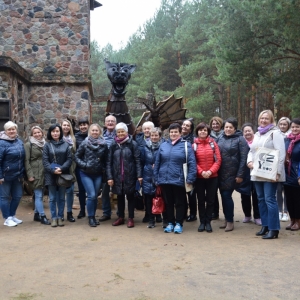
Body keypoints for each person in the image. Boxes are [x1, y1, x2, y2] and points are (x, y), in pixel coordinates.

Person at [247, 110, 286, 239]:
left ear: (271, 120)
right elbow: (251, 151)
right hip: (257, 172)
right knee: (261, 199)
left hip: (270, 173)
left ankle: (274, 228)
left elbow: (281, 154)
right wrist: (250, 161)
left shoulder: (275, 134)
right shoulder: (257, 134)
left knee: (270, 199)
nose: (263, 120)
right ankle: (265, 225)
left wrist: (278, 173)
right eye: (262, 118)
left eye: (266, 118)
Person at [154, 123, 197, 234]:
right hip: (164, 179)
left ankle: (179, 223)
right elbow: (157, 162)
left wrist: (190, 178)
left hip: (179, 179)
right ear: (169, 133)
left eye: (175, 132)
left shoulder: (186, 145)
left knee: (179, 202)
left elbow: (192, 163)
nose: (173, 134)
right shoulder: (163, 145)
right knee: (168, 203)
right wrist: (156, 177)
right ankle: (170, 223)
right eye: (171, 132)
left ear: (180, 133)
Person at [106, 122, 142, 228]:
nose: (120, 134)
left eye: (122, 131)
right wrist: (109, 177)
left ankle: (130, 218)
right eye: (118, 132)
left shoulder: (132, 144)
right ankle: (120, 217)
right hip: (117, 176)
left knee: (130, 196)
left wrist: (139, 175)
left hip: (130, 175)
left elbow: (137, 160)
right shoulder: (113, 145)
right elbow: (109, 162)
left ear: (126, 132)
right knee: (120, 197)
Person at [217, 117, 249, 232]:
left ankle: (230, 221)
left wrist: (240, 174)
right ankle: (227, 219)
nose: (228, 129)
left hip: (233, 173)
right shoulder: (220, 138)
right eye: (226, 127)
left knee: (226, 196)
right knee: (223, 197)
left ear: (235, 128)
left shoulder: (240, 140)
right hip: (220, 173)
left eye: (230, 127)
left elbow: (244, 158)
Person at [75, 124, 108, 227]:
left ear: (99, 132)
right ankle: (91, 217)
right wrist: (84, 165)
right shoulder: (85, 143)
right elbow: (76, 156)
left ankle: (92, 215)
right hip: (86, 173)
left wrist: (104, 169)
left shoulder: (104, 144)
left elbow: (106, 159)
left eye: (96, 130)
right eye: (93, 130)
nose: (94, 132)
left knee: (94, 196)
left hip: (98, 174)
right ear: (90, 131)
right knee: (92, 195)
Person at [193, 122, 221, 233]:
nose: (202, 132)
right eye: (200, 130)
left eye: (205, 130)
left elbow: (218, 160)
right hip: (199, 178)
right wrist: (201, 171)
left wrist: (210, 171)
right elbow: (192, 161)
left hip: (212, 177)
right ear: (197, 132)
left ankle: (208, 222)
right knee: (200, 200)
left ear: (208, 132)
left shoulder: (213, 144)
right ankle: (202, 222)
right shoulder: (194, 145)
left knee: (210, 200)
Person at [43, 124, 72, 227]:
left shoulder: (65, 145)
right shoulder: (47, 145)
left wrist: (62, 168)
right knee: (52, 198)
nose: (55, 133)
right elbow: (45, 161)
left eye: (57, 131)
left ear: (60, 132)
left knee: (62, 198)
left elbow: (69, 159)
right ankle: (54, 218)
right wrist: (52, 170)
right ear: (50, 133)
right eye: (53, 131)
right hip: (51, 175)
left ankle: (60, 217)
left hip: (63, 175)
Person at [0, 121, 25, 227]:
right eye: (9, 129)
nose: (11, 131)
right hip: (6, 176)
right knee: (4, 197)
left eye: (13, 129)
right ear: (5, 131)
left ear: (16, 130)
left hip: (18, 175)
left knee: (17, 196)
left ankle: (12, 215)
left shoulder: (19, 141)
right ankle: (7, 218)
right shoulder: (2, 143)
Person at [24, 125, 50, 225]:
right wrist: (29, 174)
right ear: (32, 134)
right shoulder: (28, 145)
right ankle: (43, 216)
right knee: (38, 195)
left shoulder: (45, 144)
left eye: (38, 132)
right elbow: (26, 160)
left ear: (42, 133)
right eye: (35, 133)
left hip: (44, 172)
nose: (37, 134)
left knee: (41, 194)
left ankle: (36, 215)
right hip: (35, 173)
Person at [141, 127, 163, 228]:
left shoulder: (163, 146)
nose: (154, 137)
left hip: (159, 174)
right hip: (147, 174)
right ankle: (151, 219)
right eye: (152, 135)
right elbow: (141, 161)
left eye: (156, 135)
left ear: (159, 136)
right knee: (148, 197)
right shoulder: (144, 146)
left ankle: (158, 214)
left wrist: (158, 165)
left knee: (158, 196)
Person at [240, 123, 261, 225]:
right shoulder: (241, 142)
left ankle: (257, 216)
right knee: (245, 195)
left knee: (256, 194)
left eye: (249, 130)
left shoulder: (258, 141)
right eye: (245, 131)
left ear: (253, 131)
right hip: (244, 172)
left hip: (256, 171)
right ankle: (247, 215)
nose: (248, 133)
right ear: (243, 133)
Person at [135, 121, 156, 223]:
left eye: (149, 128)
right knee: (146, 194)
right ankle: (148, 213)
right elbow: (138, 160)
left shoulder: (161, 141)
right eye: (145, 129)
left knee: (157, 193)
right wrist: (139, 174)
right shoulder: (137, 140)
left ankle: (157, 214)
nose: (147, 130)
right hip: (144, 171)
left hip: (156, 172)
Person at [98, 115, 117, 222]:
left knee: (119, 191)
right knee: (105, 191)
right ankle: (106, 213)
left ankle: (120, 213)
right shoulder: (101, 136)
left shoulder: (120, 134)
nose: (110, 123)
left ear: (115, 123)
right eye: (108, 121)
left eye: (112, 121)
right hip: (104, 168)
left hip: (117, 167)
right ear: (105, 123)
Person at [284, 118, 300, 231]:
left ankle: (298, 221)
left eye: (297, 127)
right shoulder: (287, 140)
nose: (294, 129)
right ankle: (292, 220)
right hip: (287, 173)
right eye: (293, 127)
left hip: (297, 173)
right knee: (289, 198)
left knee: (297, 199)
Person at [182, 119, 197, 222]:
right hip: (179, 169)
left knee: (191, 193)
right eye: (183, 124)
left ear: (191, 129)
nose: (184, 126)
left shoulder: (193, 140)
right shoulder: (177, 138)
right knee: (181, 194)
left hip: (190, 168)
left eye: (187, 126)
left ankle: (193, 214)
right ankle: (183, 213)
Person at [209, 116, 224, 220]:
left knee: (224, 192)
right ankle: (215, 212)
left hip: (224, 168)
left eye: (217, 123)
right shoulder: (208, 137)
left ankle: (227, 214)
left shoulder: (226, 135)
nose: (215, 125)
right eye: (213, 124)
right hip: (211, 167)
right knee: (212, 192)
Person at [61, 119, 76, 222]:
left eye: (68, 125)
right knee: (61, 193)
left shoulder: (73, 139)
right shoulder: (57, 138)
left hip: (71, 169)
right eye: (64, 125)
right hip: (61, 168)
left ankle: (69, 213)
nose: (66, 127)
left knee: (70, 192)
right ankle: (61, 213)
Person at [277, 117, 291, 222]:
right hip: (277, 167)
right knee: (278, 190)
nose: (282, 126)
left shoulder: (291, 137)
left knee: (287, 190)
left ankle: (286, 211)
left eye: (284, 124)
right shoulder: (276, 135)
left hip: (288, 168)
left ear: (288, 126)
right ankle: (279, 211)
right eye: (281, 124)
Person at [74, 117, 89, 218]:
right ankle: (82, 210)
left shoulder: (93, 135)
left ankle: (91, 210)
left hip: (92, 166)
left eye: (85, 124)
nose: (83, 127)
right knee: (82, 189)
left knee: (92, 190)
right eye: (81, 125)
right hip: (80, 166)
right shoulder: (76, 137)